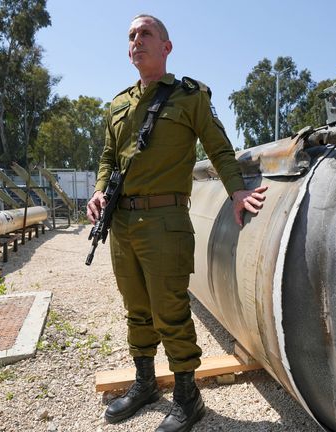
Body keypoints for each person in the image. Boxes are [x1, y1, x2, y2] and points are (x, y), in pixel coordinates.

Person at [86, 14, 267, 432]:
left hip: (165, 220)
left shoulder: (190, 97)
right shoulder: (117, 105)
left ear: (166, 47)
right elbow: (107, 159)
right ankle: (146, 382)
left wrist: (237, 191)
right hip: (121, 224)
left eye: (145, 33)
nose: (136, 40)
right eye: (131, 36)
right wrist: (98, 190)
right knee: (136, 308)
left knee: (170, 310)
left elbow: (220, 149)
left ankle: (188, 396)